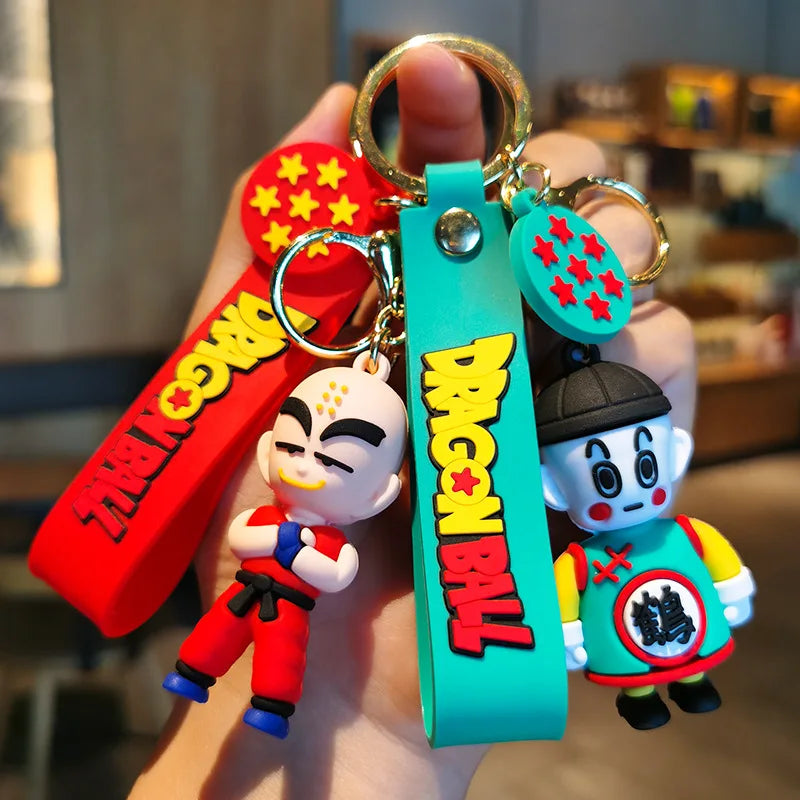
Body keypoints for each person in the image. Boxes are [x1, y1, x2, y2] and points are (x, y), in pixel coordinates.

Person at [130, 43, 697, 799]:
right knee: (230, 645)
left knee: (273, 659)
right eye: (297, 444)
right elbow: (290, 550)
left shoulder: (341, 519)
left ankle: (261, 697)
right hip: (287, 598)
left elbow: (334, 568)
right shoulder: (285, 503)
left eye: (334, 455)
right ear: (269, 451)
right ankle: (217, 680)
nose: (306, 461)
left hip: (388, 617)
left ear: (381, 492)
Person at [536, 344, 754, 730]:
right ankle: (640, 695)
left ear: (674, 455)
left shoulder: (688, 534)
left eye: (646, 466)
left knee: (690, 645)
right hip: (621, 647)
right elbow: (563, 598)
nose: (631, 494)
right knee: (632, 665)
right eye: (605, 479)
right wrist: (568, 634)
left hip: (690, 628)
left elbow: (720, 559)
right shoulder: (580, 562)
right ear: (554, 487)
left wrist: (732, 589)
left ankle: (692, 681)